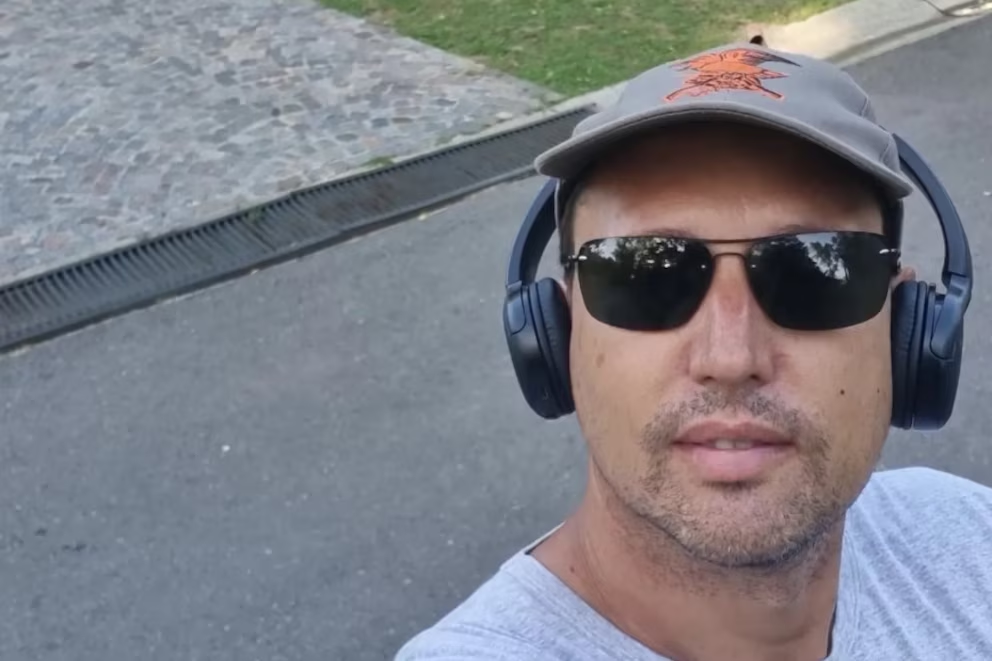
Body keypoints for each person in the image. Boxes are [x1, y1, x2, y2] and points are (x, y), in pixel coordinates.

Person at [396, 42, 992, 660]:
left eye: (815, 274)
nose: (730, 359)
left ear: (905, 332)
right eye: (644, 276)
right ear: (558, 335)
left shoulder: (968, 534)